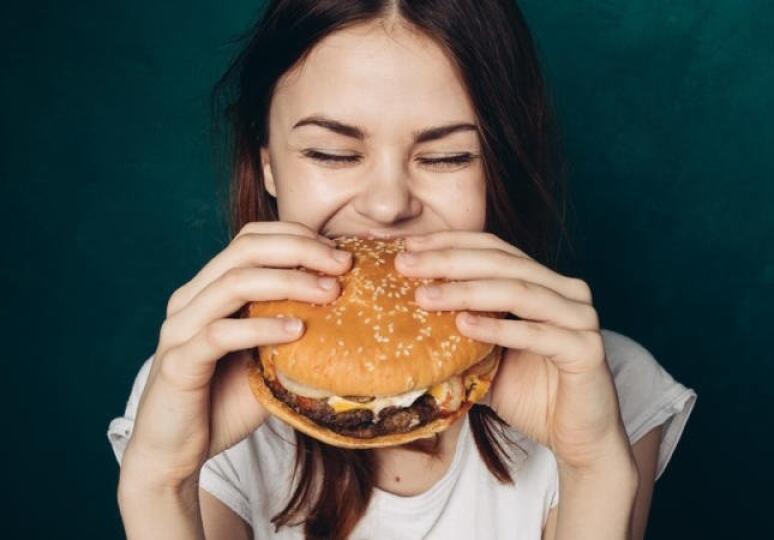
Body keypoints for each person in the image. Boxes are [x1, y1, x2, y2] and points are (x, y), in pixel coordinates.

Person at [107, 1, 698, 538]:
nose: (388, 206)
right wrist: (159, 483)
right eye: (332, 153)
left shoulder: (605, 380)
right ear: (267, 165)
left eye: (447, 157)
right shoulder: (197, 384)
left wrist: (593, 467)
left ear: (500, 171)